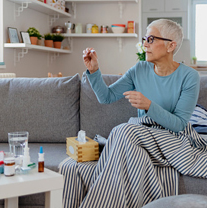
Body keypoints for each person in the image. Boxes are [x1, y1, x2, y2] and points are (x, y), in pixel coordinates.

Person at [62, 19, 207, 208]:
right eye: (145, 38)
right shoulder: (139, 69)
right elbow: (107, 97)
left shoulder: (189, 76)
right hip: (140, 137)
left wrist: (148, 105)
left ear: (171, 46)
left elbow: (179, 124)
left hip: (174, 138)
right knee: (71, 167)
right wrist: (95, 71)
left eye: (152, 39)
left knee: (123, 131)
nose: (145, 44)